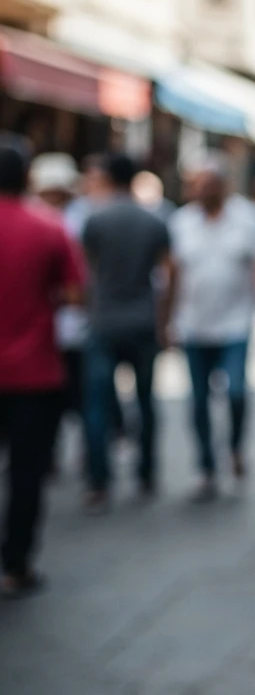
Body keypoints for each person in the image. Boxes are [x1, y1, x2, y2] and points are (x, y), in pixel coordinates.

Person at [0, 135, 85, 595]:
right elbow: (75, 296)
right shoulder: (50, 228)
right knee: (27, 473)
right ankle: (16, 564)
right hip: (34, 371)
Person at [167, 154, 255, 500]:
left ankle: (235, 447)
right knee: (197, 401)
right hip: (193, 325)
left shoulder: (248, 219)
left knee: (236, 392)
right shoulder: (181, 223)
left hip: (235, 324)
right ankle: (206, 465)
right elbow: (173, 275)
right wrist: (167, 321)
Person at [81, 153, 171, 510]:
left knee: (99, 406)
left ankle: (99, 480)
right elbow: (167, 276)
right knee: (146, 403)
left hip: (104, 320)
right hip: (143, 320)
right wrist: (164, 321)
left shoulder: (95, 220)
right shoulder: (153, 221)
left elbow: (86, 272)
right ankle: (146, 472)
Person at [29, 153, 89, 449]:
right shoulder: (37, 221)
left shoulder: (77, 220)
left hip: (70, 326)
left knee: (73, 392)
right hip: (39, 328)